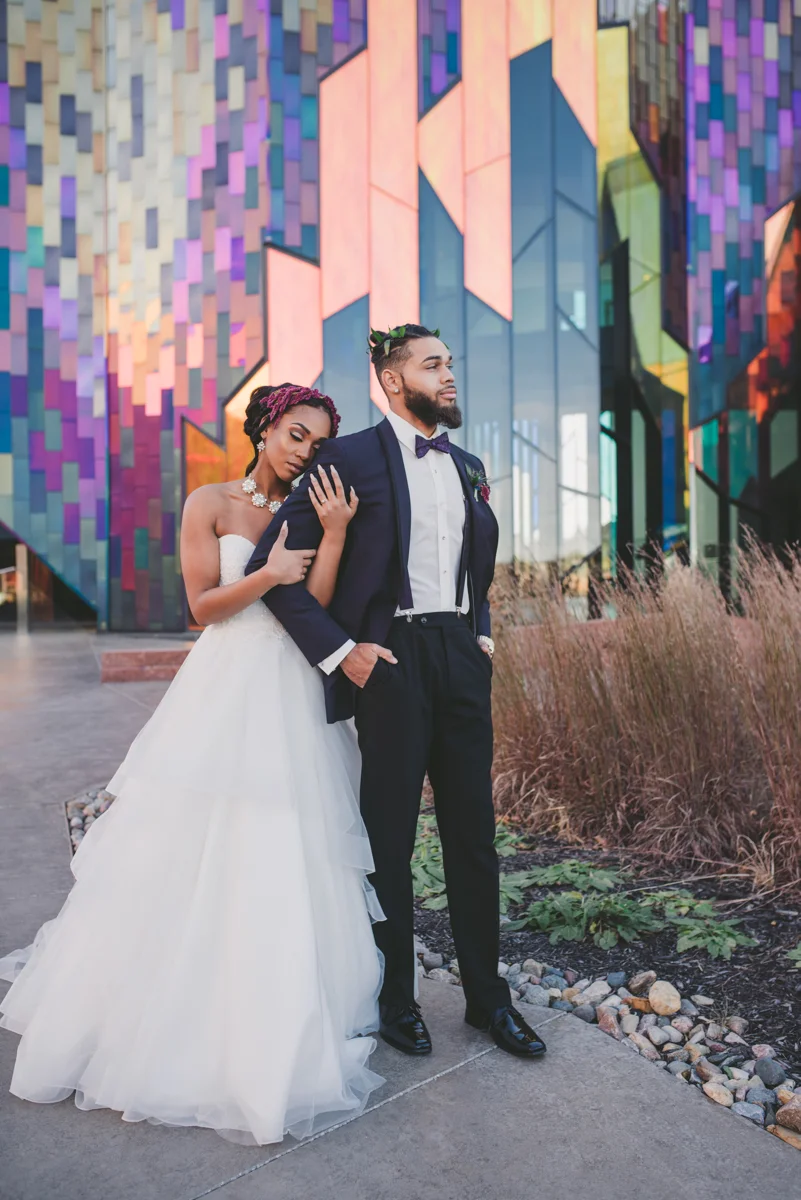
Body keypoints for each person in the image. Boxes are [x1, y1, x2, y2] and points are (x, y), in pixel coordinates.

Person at [0, 384, 386, 1145]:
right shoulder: (210, 501)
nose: (305, 450)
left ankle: (278, 1003)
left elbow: (319, 606)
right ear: (266, 427)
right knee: (194, 835)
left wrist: (333, 533)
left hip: (291, 689)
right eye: (295, 434)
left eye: (317, 441)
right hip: (226, 684)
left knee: (285, 844)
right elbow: (202, 607)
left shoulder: (312, 505)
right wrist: (268, 574)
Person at [246, 326, 547, 1060]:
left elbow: (475, 562)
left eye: (450, 362)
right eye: (432, 364)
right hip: (388, 660)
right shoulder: (345, 460)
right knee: (388, 838)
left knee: (473, 834)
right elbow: (271, 571)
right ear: (390, 380)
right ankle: (394, 1001)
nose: (449, 375)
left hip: (459, 658)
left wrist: (479, 632)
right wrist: (341, 653)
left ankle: (486, 1000)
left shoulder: (467, 465)